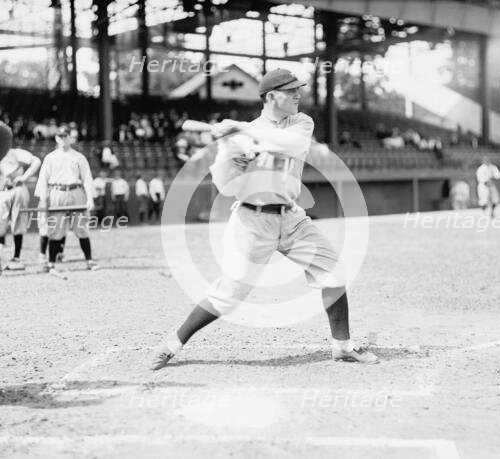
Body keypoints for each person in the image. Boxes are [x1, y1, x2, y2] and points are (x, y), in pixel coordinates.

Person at [151, 68, 379, 370]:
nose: (298, 94)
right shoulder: (239, 137)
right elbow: (226, 187)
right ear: (272, 96)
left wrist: (243, 131)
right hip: (252, 223)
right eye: (291, 90)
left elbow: (291, 144)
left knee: (334, 272)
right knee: (227, 297)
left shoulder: (300, 122)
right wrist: (228, 153)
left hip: (292, 218)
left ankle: (343, 346)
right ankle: (173, 344)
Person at [34, 125, 98, 273]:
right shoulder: (50, 157)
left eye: (65, 136)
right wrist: (43, 199)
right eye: (60, 136)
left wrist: (90, 198)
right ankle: (50, 263)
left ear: (70, 137)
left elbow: (87, 178)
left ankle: (89, 261)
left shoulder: (79, 157)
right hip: (57, 192)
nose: (63, 139)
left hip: (76, 192)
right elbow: (43, 180)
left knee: (81, 228)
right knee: (56, 229)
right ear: (56, 138)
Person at [0, 148, 41, 270]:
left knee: (18, 224)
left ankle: (16, 257)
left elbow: (36, 161)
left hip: (17, 189)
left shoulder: (15, 152)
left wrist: (24, 177)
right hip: (1, 192)